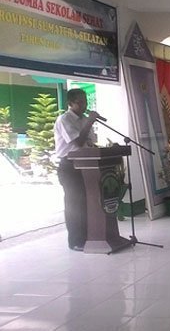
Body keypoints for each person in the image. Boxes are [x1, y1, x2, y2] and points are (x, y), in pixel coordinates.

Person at [53, 88, 101, 252]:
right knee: (74, 203)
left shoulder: (85, 119)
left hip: (86, 164)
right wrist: (90, 122)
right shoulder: (64, 119)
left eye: (85, 102)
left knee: (86, 202)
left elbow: (90, 142)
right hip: (69, 166)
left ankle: (88, 236)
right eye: (80, 102)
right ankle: (75, 241)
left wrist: (89, 124)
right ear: (70, 103)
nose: (84, 105)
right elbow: (79, 142)